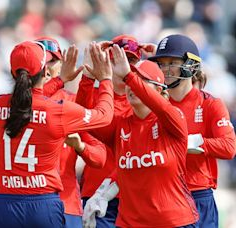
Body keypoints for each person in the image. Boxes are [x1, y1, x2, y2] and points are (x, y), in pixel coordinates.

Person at [0, 36, 107, 228]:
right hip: (39, 204)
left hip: (64, 205)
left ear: (61, 64)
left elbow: (100, 158)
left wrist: (80, 147)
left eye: (52, 60)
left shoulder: (6, 105)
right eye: (45, 61)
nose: (49, 66)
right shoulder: (16, 106)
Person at [78, 44, 199, 227]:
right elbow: (83, 117)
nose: (132, 85)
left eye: (143, 80)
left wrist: (128, 76)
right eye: (132, 80)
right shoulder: (119, 125)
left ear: (159, 89)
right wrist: (89, 78)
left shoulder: (173, 118)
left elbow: (162, 107)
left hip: (174, 223)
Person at [149, 34, 236, 228]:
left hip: (198, 194)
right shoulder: (152, 107)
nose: (165, 69)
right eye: (161, 64)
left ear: (190, 65)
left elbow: (229, 147)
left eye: (172, 62)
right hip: (162, 195)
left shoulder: (210, 104)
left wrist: (190, 142)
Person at [79, 35, 141, 227]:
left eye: (130, 59)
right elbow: (78, 118)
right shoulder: (96, 95)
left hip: (135, 196)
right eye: (116, 58)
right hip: (98, 192)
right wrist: (89, 74)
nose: (123, 64)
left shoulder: (144, 101)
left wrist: (160, 59)